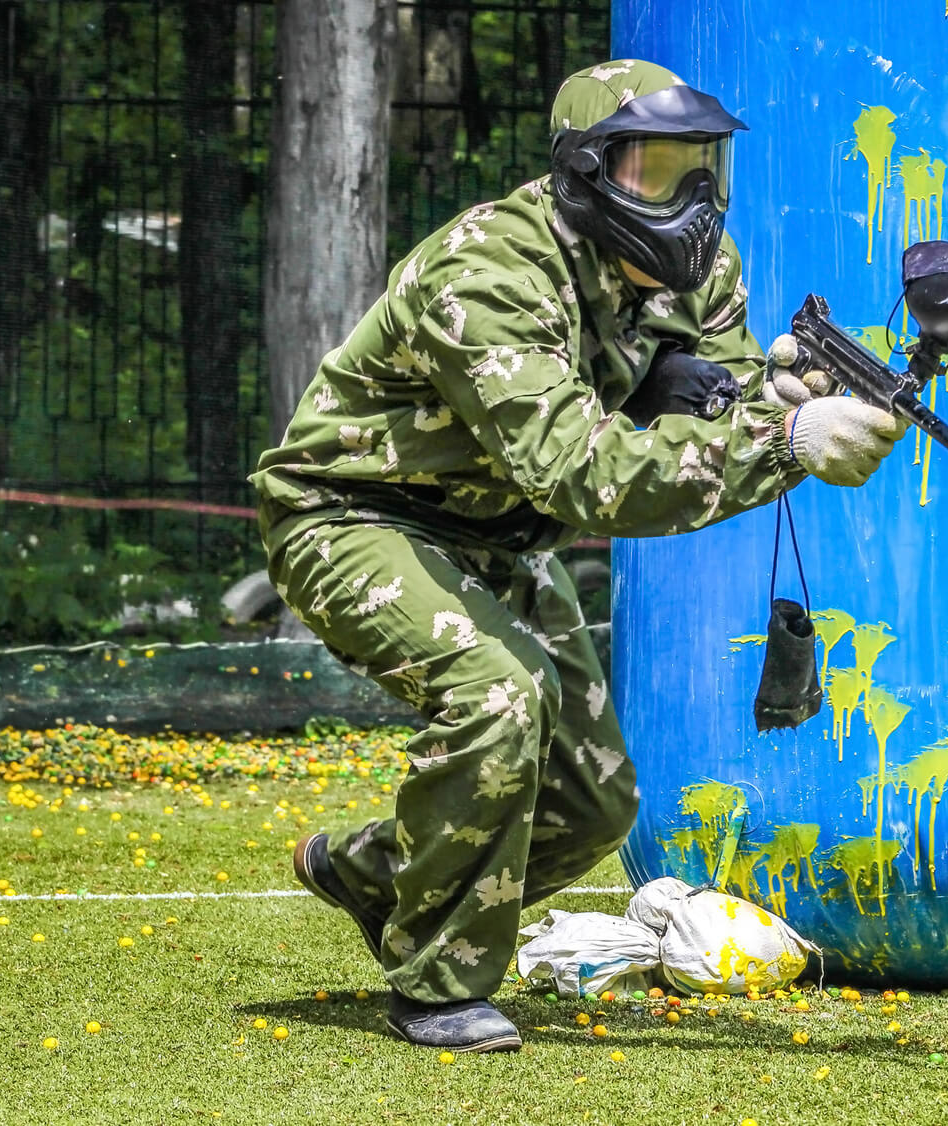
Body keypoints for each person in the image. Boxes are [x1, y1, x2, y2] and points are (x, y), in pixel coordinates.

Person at [251, 59, 906, 1053]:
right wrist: (782, 439)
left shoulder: (702, 269)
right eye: (657, 171)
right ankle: (435, 982)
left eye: (704, 169)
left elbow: (721, 393)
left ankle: (377, 875)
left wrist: (771, 397)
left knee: (591, 803)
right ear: (583, 173)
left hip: (505, 534)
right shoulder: (490, 273)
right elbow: (583, 474)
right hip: (356, 516)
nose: (691, 201)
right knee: (498, 692)